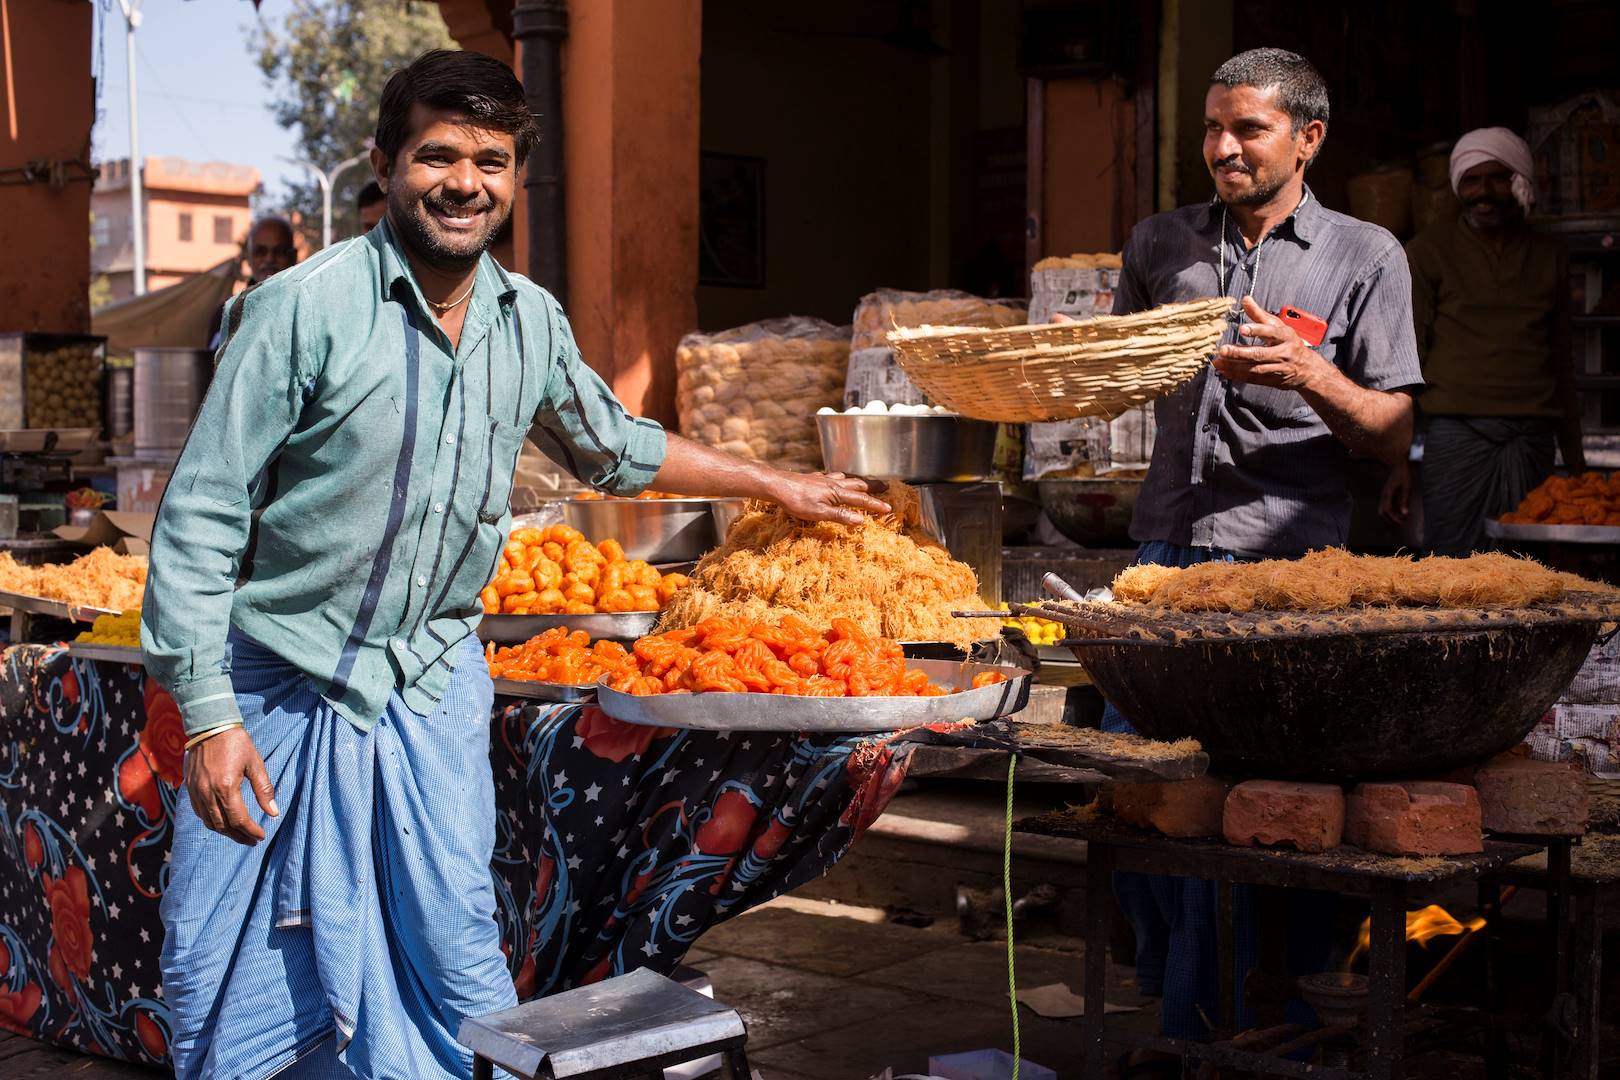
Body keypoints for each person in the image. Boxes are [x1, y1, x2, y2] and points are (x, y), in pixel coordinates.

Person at [144, 49, 887, 1080]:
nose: (464, 183)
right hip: (282, 689)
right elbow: (201, 516)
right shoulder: (302, 310)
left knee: (452, 942)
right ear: (384, 163)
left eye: (490, 160)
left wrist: (777, 482)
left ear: (514, 173)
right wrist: (211, 719)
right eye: (435, 155)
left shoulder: (526, 320)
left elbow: (617, 446)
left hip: (432, 687)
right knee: (252, 968)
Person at [1100, 47, 1422, 1059]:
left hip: (1289, 567)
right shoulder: (1162, 242)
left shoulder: (1367, 255)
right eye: (1212, 128)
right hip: (1163, 549)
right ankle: (1182, 990)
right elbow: (1116, 370)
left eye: (1248, 129)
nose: (1224, 148)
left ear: (1308, 138)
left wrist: (1311, 375)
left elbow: (1393, 428)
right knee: (1139, 793)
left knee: (1238, 807)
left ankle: (1212, 1021)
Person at [1381, 128, 1583, 553]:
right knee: (1453, 573)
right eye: (1472, 181)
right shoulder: (1429, 251)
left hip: (1532, 438)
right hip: (1458, 438)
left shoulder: (1550, 255)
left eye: (1497, 178)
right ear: (1457, 187)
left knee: (1532, 572)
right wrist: (1397, 460)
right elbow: (1406, 357)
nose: (1484, 192)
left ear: (1519, 181)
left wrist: (1577, 463)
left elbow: (1562, 360)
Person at [206, 216, 300, 350]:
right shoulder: (227, 315)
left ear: (293, 257)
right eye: (260, 252)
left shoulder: (305, 312)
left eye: (279, 252)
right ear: (248, 256)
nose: (269, 259)